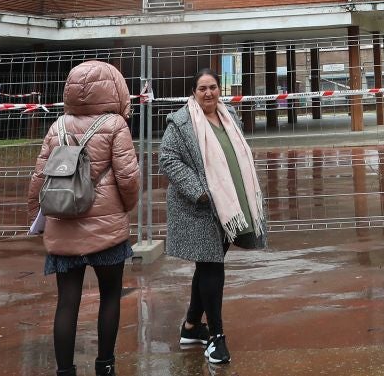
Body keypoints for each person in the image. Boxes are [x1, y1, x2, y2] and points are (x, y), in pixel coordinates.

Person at [26, 58, 140, 376]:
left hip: (63, 225)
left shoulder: (57, 126)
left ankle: (65, 371)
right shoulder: (116, 125)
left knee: (67, 302)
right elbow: (128, 178)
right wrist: (124, 208)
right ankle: (105, 365)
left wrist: (34, 215)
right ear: (114, 88)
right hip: (107, 228)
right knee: (110, 296)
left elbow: (38, 178)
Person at [161, 68, 268, 367]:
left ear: (219, 89)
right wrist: (199, 191)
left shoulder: (228, 114)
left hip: (230, 205)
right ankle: (217, 338)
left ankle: (191, 327)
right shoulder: (181, 122)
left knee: (209, 265)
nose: (208, 93)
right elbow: (167, 159)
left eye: (212, 87)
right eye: (202, 88)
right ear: (193, 92)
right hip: (200, 208)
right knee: (211, 266)